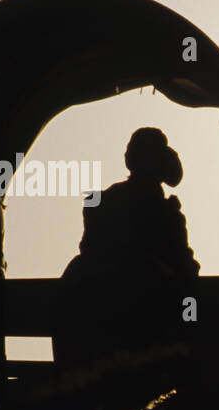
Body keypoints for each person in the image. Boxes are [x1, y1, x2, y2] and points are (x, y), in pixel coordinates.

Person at [54, 127, 200, 371]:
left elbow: (88, 248)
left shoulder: (99, 203)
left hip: (93, 344)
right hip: (140, 333)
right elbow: (185, 270)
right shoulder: (166, 214)